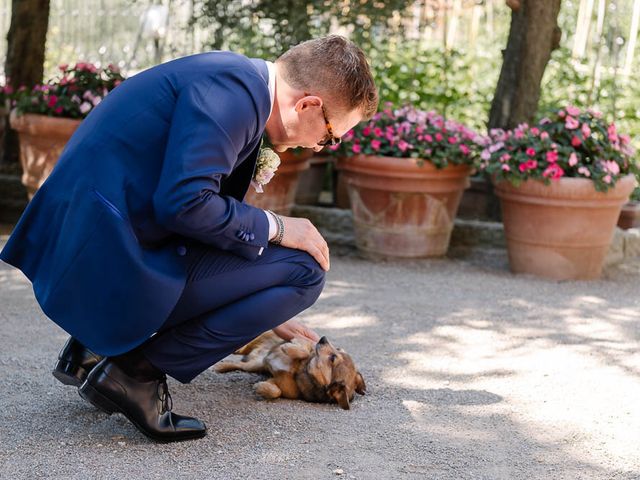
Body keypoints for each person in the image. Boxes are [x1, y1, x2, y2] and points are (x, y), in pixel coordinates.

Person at [0, 35, 377, 442]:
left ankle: (90, 347)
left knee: (278, 260)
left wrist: (259, 303)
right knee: (305, 269)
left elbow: (194, 210)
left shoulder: (236, 81)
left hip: (98, 241)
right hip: (102, 257)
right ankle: (134, 374)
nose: (322, 145)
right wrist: (281, 226)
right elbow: (186, 204)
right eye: (330, 135)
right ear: (307, 105)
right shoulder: (235, 95)